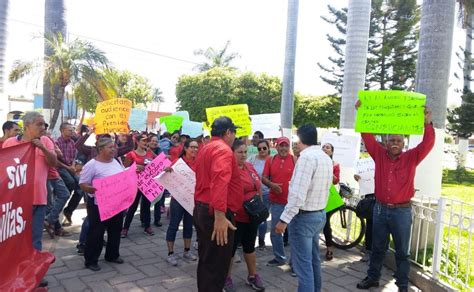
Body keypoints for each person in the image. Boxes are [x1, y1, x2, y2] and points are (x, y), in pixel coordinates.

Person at [355, 101, 435, 291]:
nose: (395, 144)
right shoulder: (379, 154)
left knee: (402, 252)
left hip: (402, 212)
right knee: (377, 248)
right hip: (380, 209)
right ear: (386, 142)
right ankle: (373, 278)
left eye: (398, 141)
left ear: (403, 144)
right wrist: (362, 112)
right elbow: (367, 137)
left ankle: (402, 284)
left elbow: (428, 144)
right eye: (391, 141)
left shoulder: (412, 157)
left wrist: (427, 123)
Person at [2, 112, 58, 288]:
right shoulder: (11, 143)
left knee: (35, 241)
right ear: (27, 126)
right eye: (40, 124)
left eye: (44, 125)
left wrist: (42, 147)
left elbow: (54, 163)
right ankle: (12, 273)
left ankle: (34, 275)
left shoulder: (46, 141)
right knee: (14, 240)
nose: (43, 128)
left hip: (38, 200)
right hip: (16, 202)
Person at [275, 125, 333, 292]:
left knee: (303, 266)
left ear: (300, 140)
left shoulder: (306, 158)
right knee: (313, 260)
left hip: (304, 217)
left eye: (295, 140)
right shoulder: (325, 157)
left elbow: (297, 195)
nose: (294, 145)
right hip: (319, 215)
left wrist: (283, 220)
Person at [193, 116, 243, 292]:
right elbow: (220, 181)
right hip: (214, 212)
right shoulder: (223, 149)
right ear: (228, 132)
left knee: (207, 261)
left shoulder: (206, 148)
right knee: (216, 266)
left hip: (203, 209)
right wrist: (220, 216)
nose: (235, 136)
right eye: (234, 132)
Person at [224, 139, 265, 291]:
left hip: (252, 216)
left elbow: (258, 186)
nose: (243, 155)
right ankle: (226, 277)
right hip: (236, 217)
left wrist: (260, 208)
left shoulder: (249, 166)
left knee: (250, 246)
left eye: (245, 152)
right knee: (231, 249)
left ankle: (253, 276)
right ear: (232, 153)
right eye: (240, 152)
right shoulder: (228, 169)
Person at [79, 137, 126, 271]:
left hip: (116, 203)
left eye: (114, 147)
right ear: (100, 149)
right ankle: (91, 260)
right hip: (98, 205)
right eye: (110, 147)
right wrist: (90, 189)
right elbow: (83, 183)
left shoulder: (116, 161)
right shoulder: (92, 165)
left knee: (115, 230)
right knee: (96, 232)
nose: (114, 149)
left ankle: (112, 255)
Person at [262, 136, 296, 266]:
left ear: (289, 147)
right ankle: (280, 257)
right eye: (281, 145)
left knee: (293, 234)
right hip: (276, 203)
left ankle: (294, 263)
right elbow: (263, 178)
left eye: (286, 145)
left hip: (292, 204)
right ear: (276, 147)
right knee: (276, 233)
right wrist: (272, 185)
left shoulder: (294, 160)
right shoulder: (270, 160)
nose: (283, 148)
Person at [165, 140, 199, 266]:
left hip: (191, 200)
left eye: (196, 147)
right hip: (177, 199)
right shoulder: (177, 163)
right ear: (185, 148)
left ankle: (187, 251)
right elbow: (166, 176)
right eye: (192, 147)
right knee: (173, 225)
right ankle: (170, 253)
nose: (194, 150)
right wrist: (167, 171)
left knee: (189, 225)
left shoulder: (200, 163)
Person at [121, 133, 156, 237]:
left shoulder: (149, 153)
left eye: (147, 141)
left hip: (147, 184)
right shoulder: (131, 154)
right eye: (144, 140)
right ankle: (125, 228)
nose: (146, 142)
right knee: (133, 206)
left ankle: (147, 226)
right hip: (134, 184)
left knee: (146, 206)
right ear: (137, 141)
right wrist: (134, 168)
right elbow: (125, 169)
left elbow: (157, 163)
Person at [56, 122, 85, 226]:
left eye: (72, 129)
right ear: (62, 131)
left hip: (70, 167)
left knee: (81, 188)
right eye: (69, 130)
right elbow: (56, 161)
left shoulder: (72, 142)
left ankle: (68, 210)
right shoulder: (57, 142)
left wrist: (72, 166)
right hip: (61, 168)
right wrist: (68, 167)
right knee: (71, 183)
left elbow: (73, 157)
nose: (72, 131)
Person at [248, 139, 272, 249]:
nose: (261, 150)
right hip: (254, 192)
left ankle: (261, 241)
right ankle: (250, 239)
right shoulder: (252, 159)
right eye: (259, 148)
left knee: (262, 217)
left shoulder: (272, 160)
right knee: (251, 216)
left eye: (264, 148)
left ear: (268, 149)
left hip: (267, 193)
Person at [321, 143, 340, 261]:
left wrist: (329, 168)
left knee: (326, 223)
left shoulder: (335, 165)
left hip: (327, 197)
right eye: (323, 147)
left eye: (328, 147)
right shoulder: (316, 162)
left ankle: (329, 248)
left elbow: (336, 180)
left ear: (332, 152)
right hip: (315, 196)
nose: (325, 149)